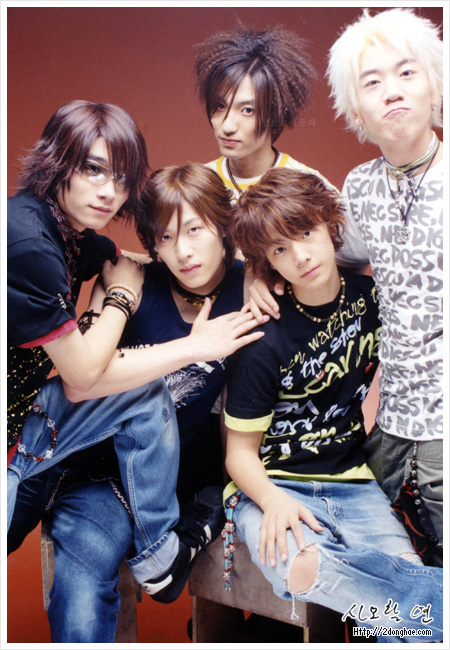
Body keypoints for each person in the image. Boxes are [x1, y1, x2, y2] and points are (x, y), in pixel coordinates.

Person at [8, 163, 265, 642]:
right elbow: (80, 380)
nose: (182, 251)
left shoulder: (252, 285)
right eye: (165, 237)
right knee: (80, 586)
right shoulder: (128, 280)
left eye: (195, 230)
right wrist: (193, 346)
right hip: (91, 472)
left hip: (165, 478)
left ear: (223, 226)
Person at [222, 167, 443, 643]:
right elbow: (238, 454)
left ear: (329, 224)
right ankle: (439, 605)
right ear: (266, 262)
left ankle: (431, 612)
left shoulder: (374, 301)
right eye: (279, 250)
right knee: (302, 571)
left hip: (353, 481)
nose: (300, 256)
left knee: (401, 608)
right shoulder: (263, 339)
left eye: (306, 233)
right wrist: (272, 499)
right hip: (273, 485)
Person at [326, 7, 443, 566]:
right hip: (391, 426)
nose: (392, 91)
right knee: (388, 582)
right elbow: (333, 259)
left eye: (407, 72)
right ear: (357, 110)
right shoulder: (360, 186)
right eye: (372, 82)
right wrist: (258, 270)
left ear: (434, 85)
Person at [7, 100, 149, 463]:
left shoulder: (65, 228)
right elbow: (82, 375)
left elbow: (132, 262)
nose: (109, 192)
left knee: (147, 391)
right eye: (93, 169)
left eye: (122, 178)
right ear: (57, 160)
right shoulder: (29, 244)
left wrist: (244, 269)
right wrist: (120, 297)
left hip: (17, 425)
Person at [195, 25, 330, 201]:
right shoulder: (198, 188)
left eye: (247, 110)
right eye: (220, 106)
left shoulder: (309, 188)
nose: (227, 127)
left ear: (275, 116)